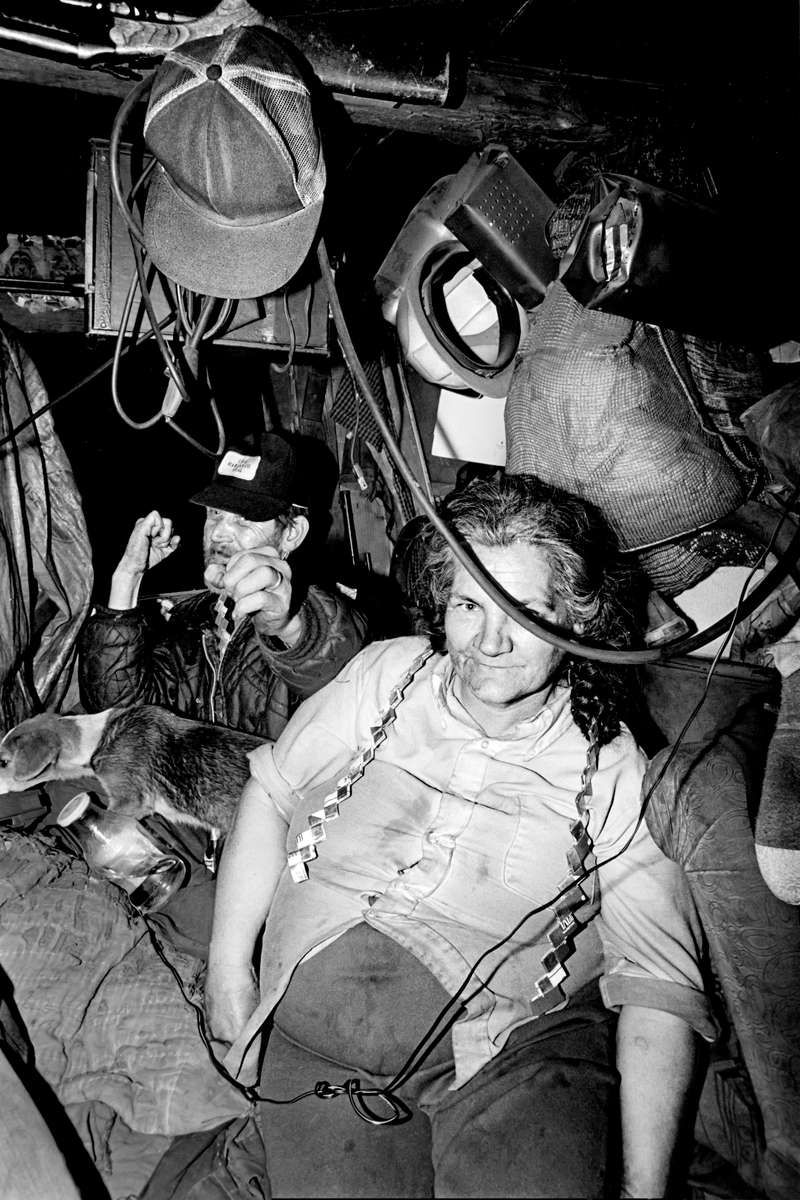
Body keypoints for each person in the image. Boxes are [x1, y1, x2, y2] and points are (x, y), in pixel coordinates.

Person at [204, 473, 716, 1199]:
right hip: (318, 1064)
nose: (490, 642)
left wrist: (641, 1190)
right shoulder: (388, 674)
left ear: (575, 620)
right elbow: (271, 791)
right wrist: (229, 971)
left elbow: (659, 989)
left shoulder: (614, 767)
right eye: (469, 605)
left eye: (526, 612)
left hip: (508, 1058)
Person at [79, 430, 367, 739]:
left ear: (292, 534)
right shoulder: (192, 621)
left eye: (244, 519)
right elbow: (118, 715)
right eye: (215, 514)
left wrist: (287, 626)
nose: (218, 533)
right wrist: (127, 577)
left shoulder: (321, 611)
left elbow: (342, 669)